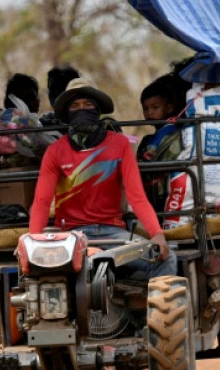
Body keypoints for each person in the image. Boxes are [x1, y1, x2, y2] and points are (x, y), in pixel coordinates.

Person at [29, 78, 175, 280]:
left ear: (98, 110)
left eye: (88, 104)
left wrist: (156, 233)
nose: (82, 109)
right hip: (73, 236)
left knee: (166, 259)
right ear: (67, 113)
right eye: (75, 106)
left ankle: (145, 307)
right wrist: (32, 243)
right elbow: (42, 202)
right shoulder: (55, 151)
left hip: (114, 233)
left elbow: (137, 196)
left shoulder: (120, 144)